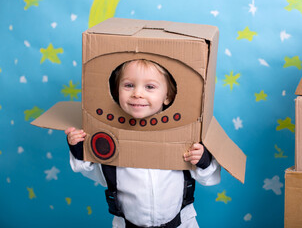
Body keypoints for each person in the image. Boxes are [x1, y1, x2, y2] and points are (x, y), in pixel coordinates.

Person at [65, 59, 221, 228]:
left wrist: (203, 159)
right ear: (116, 92)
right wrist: (80, 150)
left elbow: (209, 179)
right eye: (129, 85)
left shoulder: (185, 134)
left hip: (182, 223)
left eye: (150, 87)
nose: (137, 93)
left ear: (167, 96)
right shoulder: (109, 137)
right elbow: (94, 173)